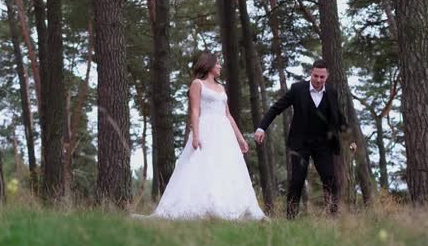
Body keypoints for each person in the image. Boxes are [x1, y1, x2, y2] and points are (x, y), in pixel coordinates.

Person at [142, 52, 265, 220]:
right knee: (202, 166)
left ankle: (229, 207)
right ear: (209, 65)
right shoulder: (197, 84)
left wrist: (240, 138)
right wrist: (195, 135)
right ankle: (200, 207)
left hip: (224, 133)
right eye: (218, 63)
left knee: (225, 168)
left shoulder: (221, 88)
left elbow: (228, 115)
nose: (220, 66)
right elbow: (194, 110)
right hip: (206, 129)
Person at [254, 59, 356, 219]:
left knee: (330, 180)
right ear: (311, 73)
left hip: (323, 144)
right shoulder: (297, 89)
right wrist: (261, 128)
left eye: (322, 77)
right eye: (316, 76)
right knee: (297, 181)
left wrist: (350, 139)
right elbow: (276, 108)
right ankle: (290, 219)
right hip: (300, 143)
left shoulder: (331, 92)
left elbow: (339, 117)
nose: (318, 80)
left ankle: (333, 217)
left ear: (327, 77)